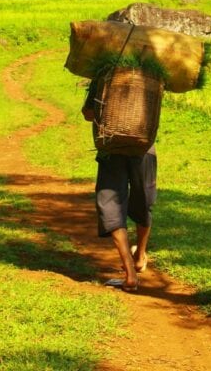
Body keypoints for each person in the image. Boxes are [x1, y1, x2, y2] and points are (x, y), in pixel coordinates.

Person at [82, 77, 157, 293]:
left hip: (110, 147)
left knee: (111, 205)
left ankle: (130, 273)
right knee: (144, 199)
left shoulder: (104, 76)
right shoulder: (150, 77)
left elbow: (88, 114)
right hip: (142, 146)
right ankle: (140, 255)